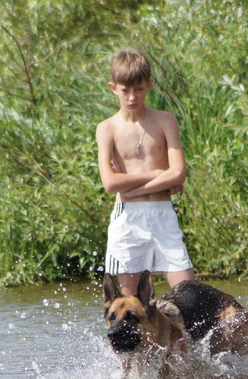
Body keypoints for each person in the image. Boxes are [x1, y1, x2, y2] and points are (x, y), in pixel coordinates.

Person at [96, 48, 194, 296]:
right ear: (113, 88)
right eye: (125, 90)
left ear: (149, 85)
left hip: (162, 214)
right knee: (131, 304)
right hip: (128, 219)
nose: (132, 97)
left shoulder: (165, 120)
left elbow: (178, 173)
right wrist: (158, 173)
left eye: (139, 89)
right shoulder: (107, 128)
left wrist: (135, 189)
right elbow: (110, 183)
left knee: (189, 293)